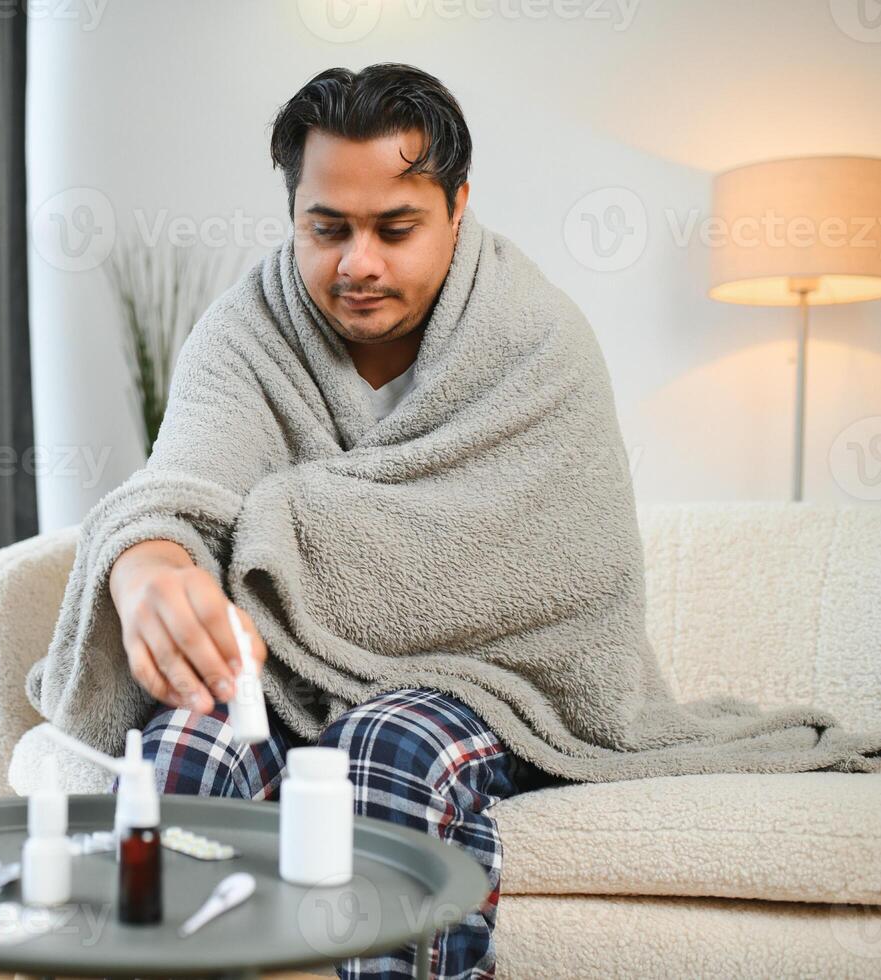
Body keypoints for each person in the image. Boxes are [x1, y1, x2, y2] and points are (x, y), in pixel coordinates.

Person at [104, 64, 561, 980]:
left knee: (382, 747)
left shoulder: (537, 338)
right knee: (179, 750)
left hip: (477, 685)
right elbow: (178, 489)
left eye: (396, 228)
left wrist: (292, 522)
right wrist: (148, 569)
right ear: (293, 214)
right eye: (327, 229)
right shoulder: (244, 332)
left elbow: (561, 580)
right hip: (281, 684)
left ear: (456, 205)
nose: (358, 263)